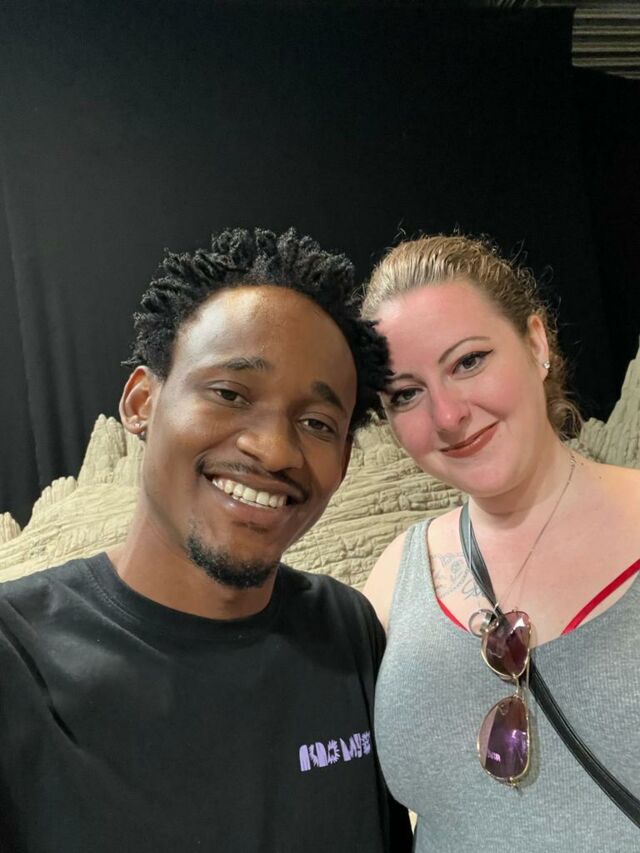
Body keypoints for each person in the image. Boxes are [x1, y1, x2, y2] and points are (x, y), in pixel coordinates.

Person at [0, 227, 412, 853]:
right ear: (141, 402)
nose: (274, 450)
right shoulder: (16, 657)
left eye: (317, 422)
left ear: (346, 459)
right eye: (229, 393)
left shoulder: (347, 631)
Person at [361, 234, 640, 852]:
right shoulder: (396, 577)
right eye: (405, 393)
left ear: (537, 344)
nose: (448, 416)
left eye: (468, 361)